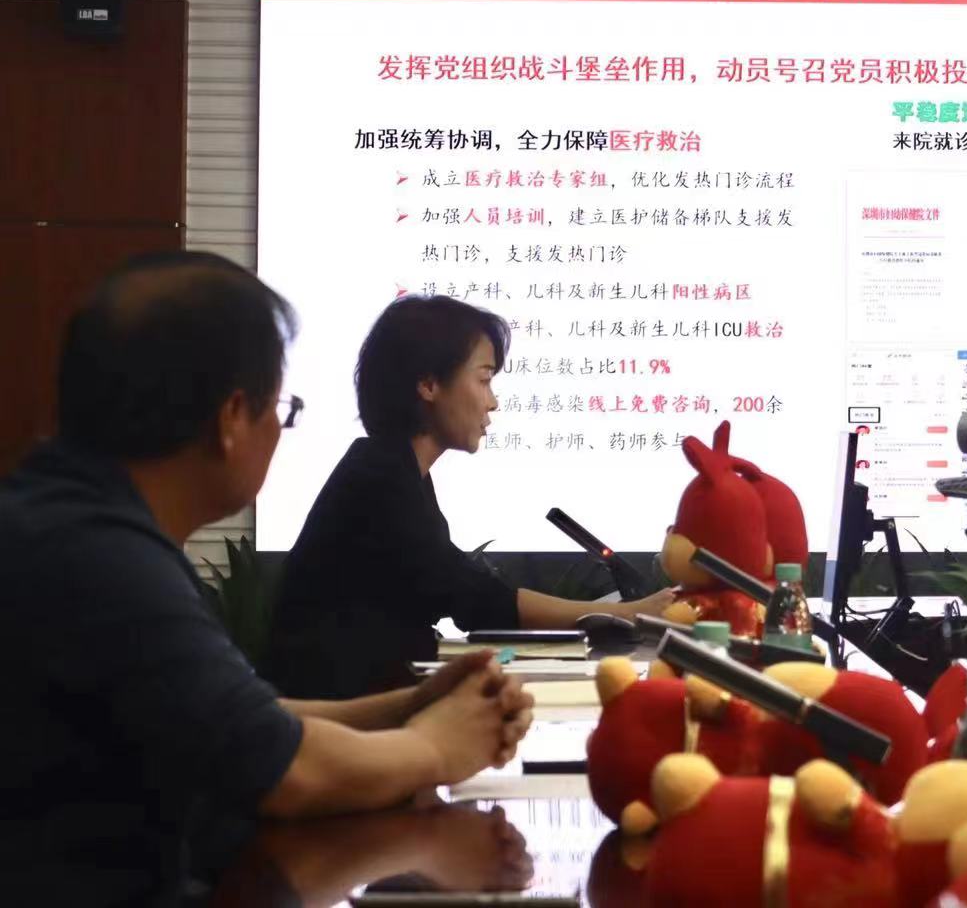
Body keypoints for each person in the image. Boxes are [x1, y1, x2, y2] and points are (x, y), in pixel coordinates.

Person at [1, 252, 534, 908]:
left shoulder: (73, 523)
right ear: (232, 417)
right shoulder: (103, 564)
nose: (280, 431)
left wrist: (409, 706)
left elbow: (247, 720)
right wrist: (436, 750)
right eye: (282, 408)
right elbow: (289, 771)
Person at [267, 296, 677, 701]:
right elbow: (473, 598)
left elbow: (457, 591)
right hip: (336, 712)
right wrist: (628, 613)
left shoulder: (398, 469)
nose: (492, 401)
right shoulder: (378, 474)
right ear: (428, 384)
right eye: (483, 380)